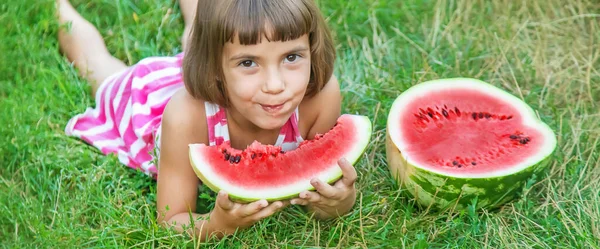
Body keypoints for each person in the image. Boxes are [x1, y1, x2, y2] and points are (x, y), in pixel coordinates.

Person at [57, 0, 358, 241]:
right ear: (214, 67)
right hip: (158, 100)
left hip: (215, 73)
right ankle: (56, 8)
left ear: (312, 47)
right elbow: (170, 219)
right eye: (249, 62)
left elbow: (317, 187)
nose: (276, 85)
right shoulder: (185, 117)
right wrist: (216, 224)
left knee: (201, 33)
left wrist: (338, 202)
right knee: (98, 66)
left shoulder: (319, 98)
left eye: (292, 57)